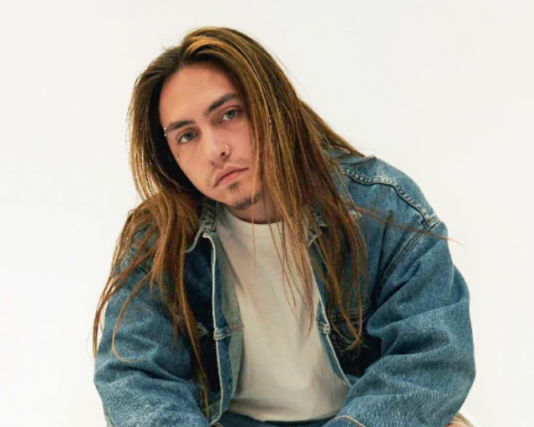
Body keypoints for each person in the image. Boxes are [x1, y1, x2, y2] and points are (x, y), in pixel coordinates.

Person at [92, 27, 476, 427]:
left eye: (229, 114)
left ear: (272, 106)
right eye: (187, 136)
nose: (215, 150)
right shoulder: (162, 237)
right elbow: (134, 377)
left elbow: (432, 357)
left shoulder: (380, 207)